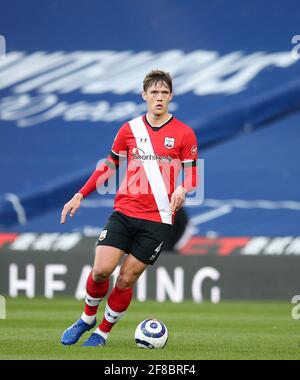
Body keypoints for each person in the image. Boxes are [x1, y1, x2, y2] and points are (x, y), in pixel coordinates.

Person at [60, 70, 199, 347]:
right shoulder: (130, 129)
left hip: (158, 220)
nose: (159, 98)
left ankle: (102, 332)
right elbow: (108, 166)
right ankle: (87, 318)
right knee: (101, 270)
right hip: (124, 212)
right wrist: (80, 194)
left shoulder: (184, 133)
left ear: (170, 96)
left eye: (164, 93)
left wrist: (183, 188)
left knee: (126, 278)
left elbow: (193, 173)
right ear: (144, 95)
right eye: (154, 93)